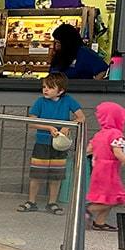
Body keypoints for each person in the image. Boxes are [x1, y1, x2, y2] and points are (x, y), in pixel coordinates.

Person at [17, 72, 83, 214]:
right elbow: (31, 122)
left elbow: (81, 117)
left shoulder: (68, 100)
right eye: (44, 87)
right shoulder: (40, 102)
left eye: (50, 87)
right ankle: (31, 201)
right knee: (36, 174)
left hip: (60, 144)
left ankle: (52, 202)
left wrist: (67, 126)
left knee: (56, 175)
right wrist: (48, 127)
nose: (45, 90)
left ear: (61, 90)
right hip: (42, 143)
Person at [86, 101, 125, 230]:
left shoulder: (99, 133)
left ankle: (100, 222)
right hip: (109, 170)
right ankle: (88, 210)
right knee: (115, 199)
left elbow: (89, 149)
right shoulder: (116, 134)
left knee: (108, 197)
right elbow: (118, 153)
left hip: (98, 169)